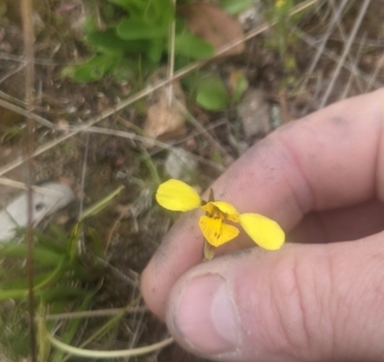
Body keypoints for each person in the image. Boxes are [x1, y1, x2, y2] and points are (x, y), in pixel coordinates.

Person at [141, 89, 384, 362]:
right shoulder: (203, 211)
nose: (217, 223)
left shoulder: (236, 222)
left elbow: (270, 237)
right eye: (214, 216)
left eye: (221, 218)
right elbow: (168, 195)